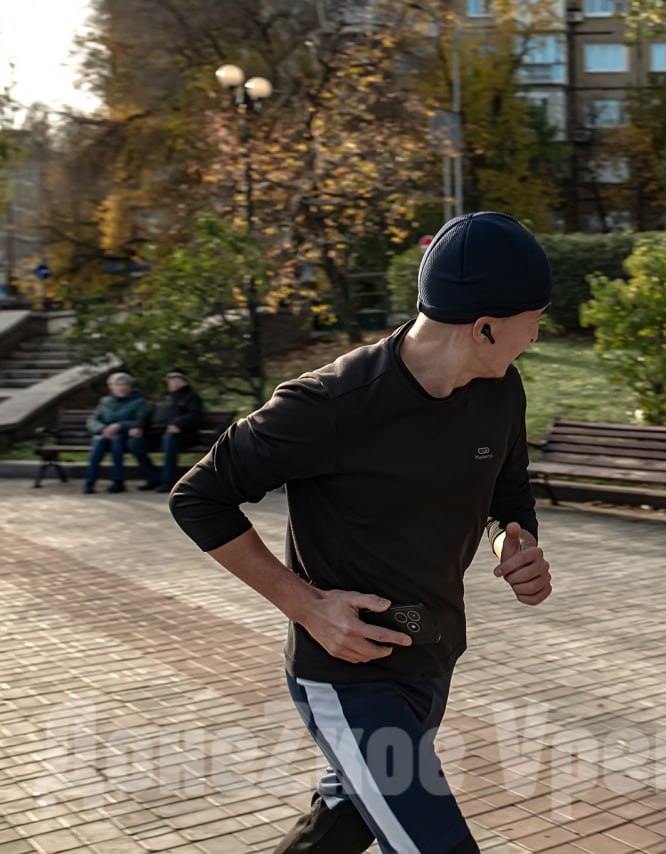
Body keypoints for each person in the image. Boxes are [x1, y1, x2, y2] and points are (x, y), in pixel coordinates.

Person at [169, 212, 554, 854]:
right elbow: (199, 497)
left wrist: (515, 545)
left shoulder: (500, 390)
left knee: (338, 828)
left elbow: (508, 497)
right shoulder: (331, 404)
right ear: (486, 327)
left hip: (433, 657)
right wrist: (306, 606)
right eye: (534, 319)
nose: (537, 336)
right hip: (347, 674)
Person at [129, 369, 204, 492]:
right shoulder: (163, 397)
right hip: (158, 434)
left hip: (181, 435)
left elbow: (195, 415)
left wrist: (178, 424)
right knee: (134, 443)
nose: (172, 383)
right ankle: (154, 477)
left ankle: (168, 481)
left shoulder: (191, 397)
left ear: (184, 382)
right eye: (170, 380)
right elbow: (148, 415)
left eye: (175, 380)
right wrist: (139, 426)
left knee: (169, 439)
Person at [83, 371, 148, 494]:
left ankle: (118, 481)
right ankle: (89, 482)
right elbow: (93, 419)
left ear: (130, 386)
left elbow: (141, 421)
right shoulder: (105, 401)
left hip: (124, 435)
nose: (121, 388)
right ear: (111, 387)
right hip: (104, 434)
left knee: (116, 441)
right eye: (118, 385)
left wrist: (119, 425)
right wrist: (102, 429)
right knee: (99, 441)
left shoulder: (138, 402)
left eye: (125, 385)